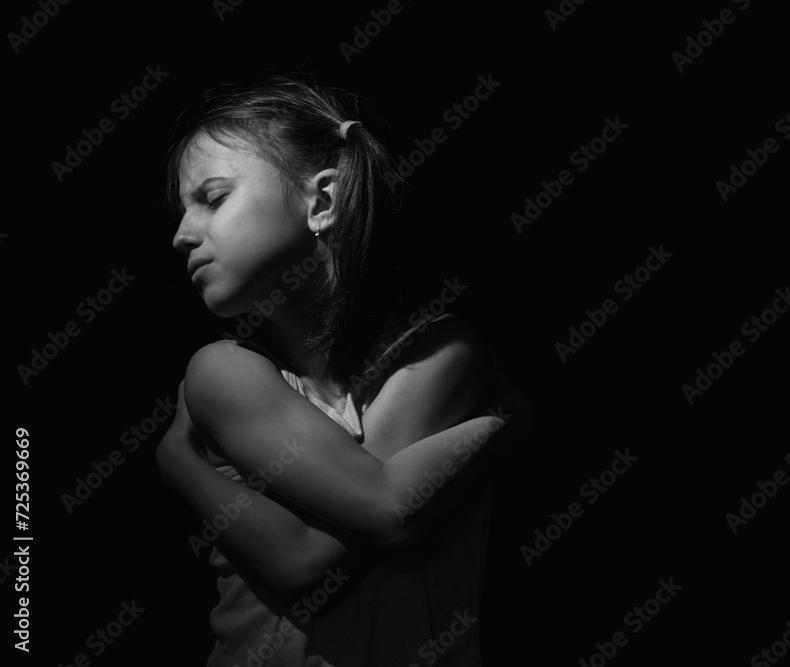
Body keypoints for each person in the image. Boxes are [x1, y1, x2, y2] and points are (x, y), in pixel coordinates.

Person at [155, 72, 529, 666]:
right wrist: (498, 427)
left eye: (213, 198)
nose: (180, 235)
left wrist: (179, 461)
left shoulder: (442, 354)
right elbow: (326, 554)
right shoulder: (222, 373)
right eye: (182, 210)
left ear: (323, 202)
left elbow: (362, 523)